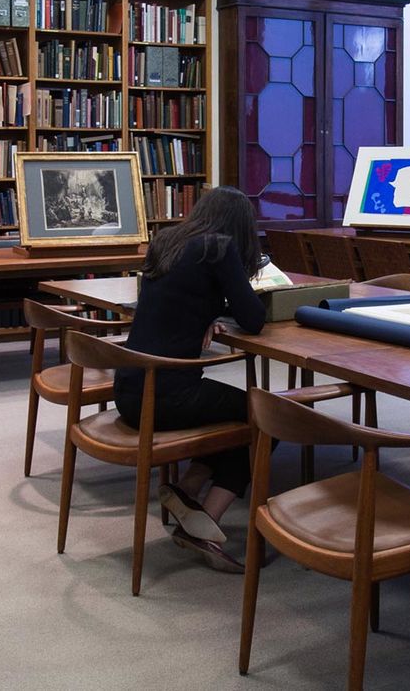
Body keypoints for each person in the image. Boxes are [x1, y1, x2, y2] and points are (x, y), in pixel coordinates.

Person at [114, 187, 267, 573]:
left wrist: (212, 313)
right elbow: (254, 319)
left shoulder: (167, 240)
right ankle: (205, 523)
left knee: (235, 415)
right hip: (168, 395)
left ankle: (186, 490)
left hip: (131, 388)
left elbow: (181, 298)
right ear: (240, 226)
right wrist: (228, 309)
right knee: (265, 417)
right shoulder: (218, 247)